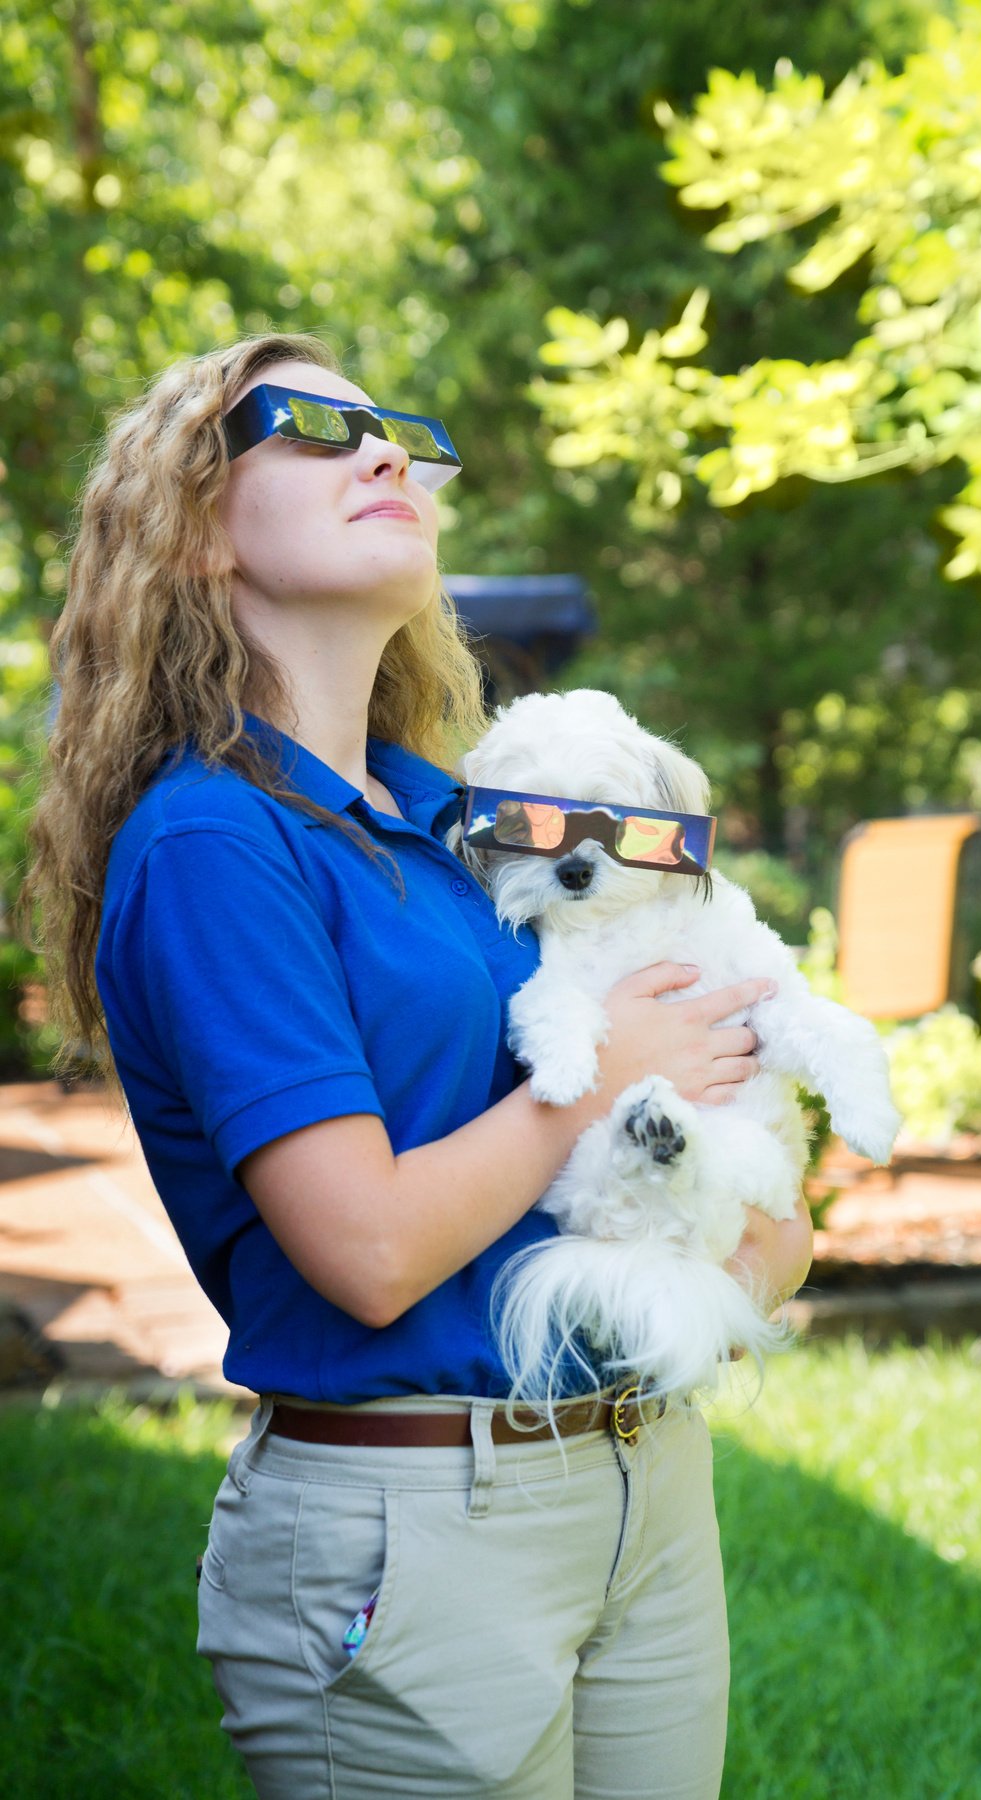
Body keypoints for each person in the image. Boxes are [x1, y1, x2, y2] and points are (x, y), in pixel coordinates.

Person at [18, 330, 813, 1798]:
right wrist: (600, 1072)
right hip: (417, 1519)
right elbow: (371, 1249)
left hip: (645, 1475)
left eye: (394, 431)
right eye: (312, 428)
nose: (385, 451)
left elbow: (710, 1062)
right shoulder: (214, 845)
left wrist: (744, 1223)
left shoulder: (486, 829)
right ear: (193, 532)